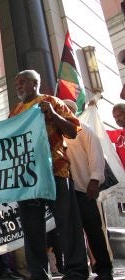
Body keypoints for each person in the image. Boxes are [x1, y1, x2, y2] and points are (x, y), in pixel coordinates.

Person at [8, 70, 89, 280]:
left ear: (35, 83)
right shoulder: (15, 111)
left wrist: (53, 114)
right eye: (17, 83)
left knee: (67, 223)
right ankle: (39, 274)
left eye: (22, 82)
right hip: (27, 178)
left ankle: (77, 272)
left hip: (56, 171)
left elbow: (72, 131)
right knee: (32, 229)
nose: (18, 86)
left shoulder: (52, 101)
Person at [64, 99, 113, 280]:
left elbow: (96, 155)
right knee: (71, 232)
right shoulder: (55, 133)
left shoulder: (84, 129)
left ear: (73, 111)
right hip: (65, 192)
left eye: (67, 108)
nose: (63, 111)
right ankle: (78, 270)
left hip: (84, 189)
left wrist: (94, 180)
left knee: (93, 230)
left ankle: (104, 270)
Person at [107, 103, 125, 168]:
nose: (117, 119)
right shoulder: (118, 134)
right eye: (115, 117)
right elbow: (99, 132)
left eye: (119, 115)